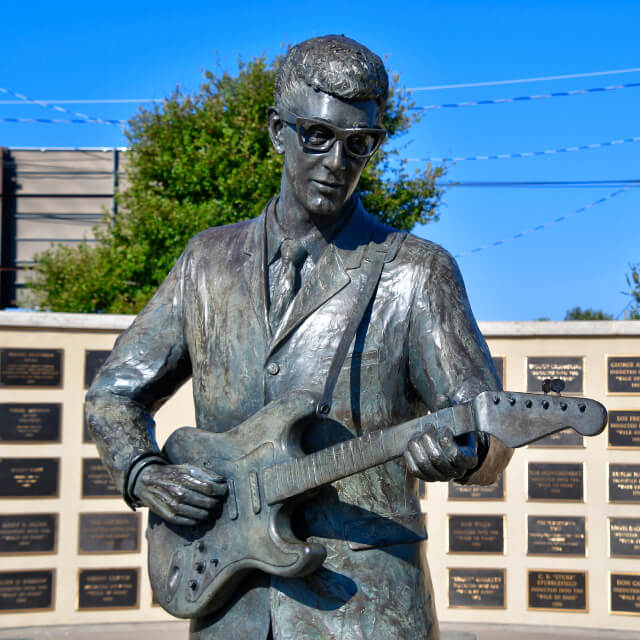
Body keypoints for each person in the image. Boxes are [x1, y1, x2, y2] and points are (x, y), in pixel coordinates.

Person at [86, 35, 513, 640]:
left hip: (367, 607)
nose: (338, 162)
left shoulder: (418, 273)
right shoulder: (205, 261)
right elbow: (113, 396)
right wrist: (143, 473)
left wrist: (467, 452)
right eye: (317, 135)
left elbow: (487, 427)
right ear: (275, 130)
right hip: (228, 602)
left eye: (359, 144)